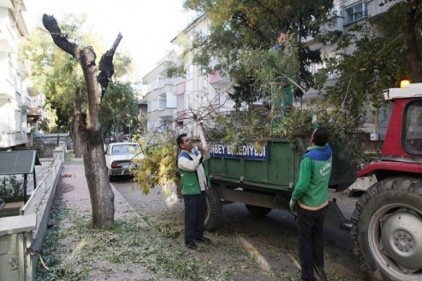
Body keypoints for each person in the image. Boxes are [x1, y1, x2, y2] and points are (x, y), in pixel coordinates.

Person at [289, 127, 332, 281]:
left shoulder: (309, 159)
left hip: (307, 208)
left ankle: (308, 276)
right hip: (322, 205)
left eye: (312, 133)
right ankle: (319, 269)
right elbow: (323, 139)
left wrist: (293, 200)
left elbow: (302, 186)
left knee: (305, 243)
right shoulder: (328, 151)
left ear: (313, 139)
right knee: (317, 239)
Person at [176, 133, 211, 250]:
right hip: (191, 191)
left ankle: (198, 236)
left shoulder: (194, 152)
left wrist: (204, 151)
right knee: (191, 216)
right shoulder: (182, 158)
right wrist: (200, 155)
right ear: (181, 145)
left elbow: (204, 159)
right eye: (186, 141)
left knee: (201, 213)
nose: (189, 141)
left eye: (189, 139)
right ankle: (189, 240)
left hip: (200, 189)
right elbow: (192, 166)